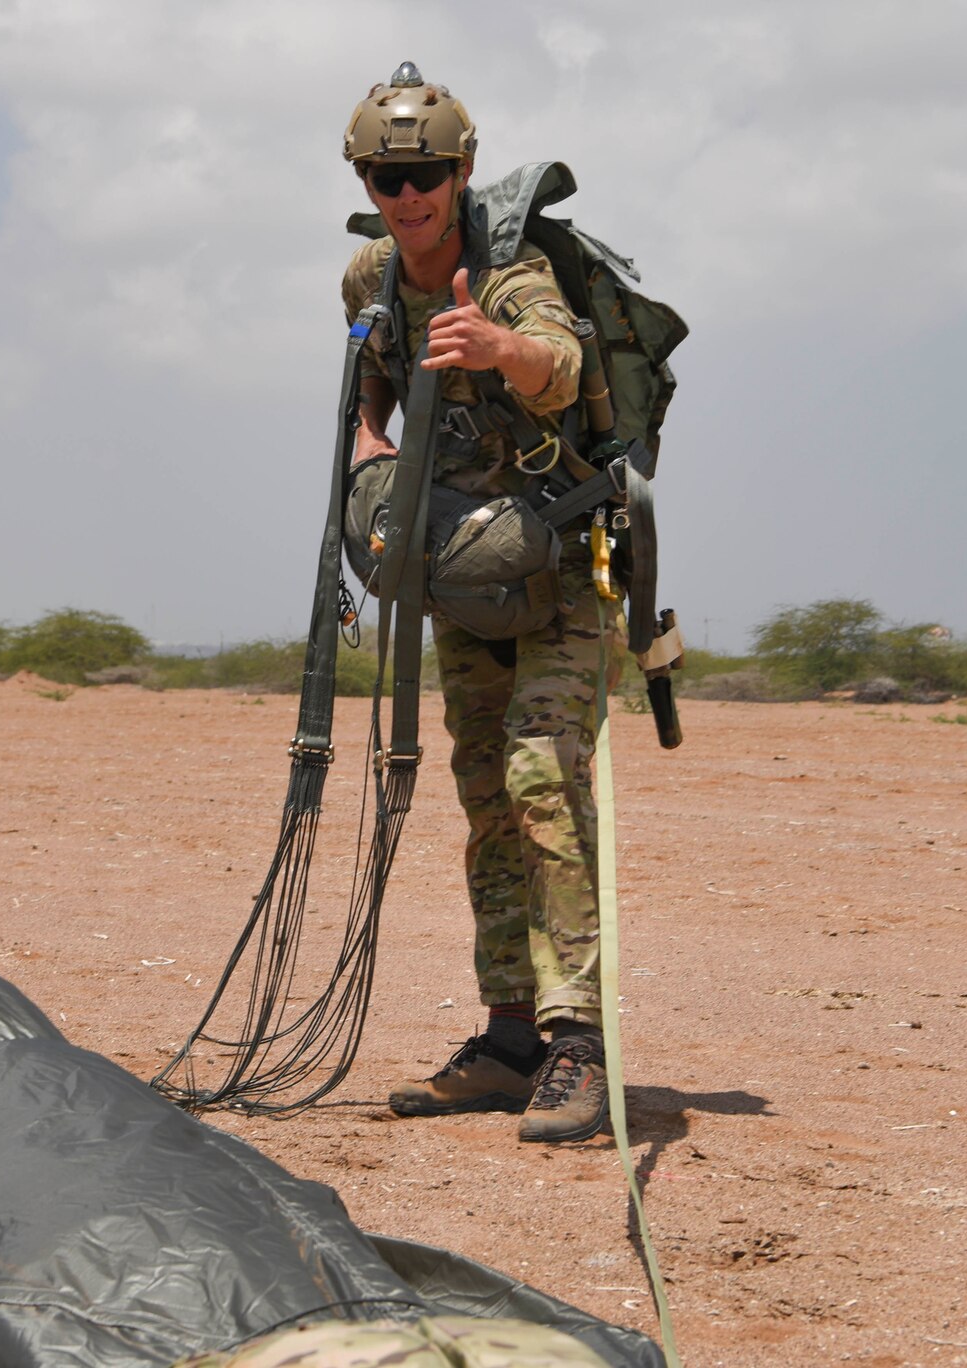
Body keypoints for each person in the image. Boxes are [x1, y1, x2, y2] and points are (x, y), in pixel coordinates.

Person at [339, 61, 621, 1144]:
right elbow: (366, 377)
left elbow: (553, 358)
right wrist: (368, 447)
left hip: (557, 573)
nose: (404, 194)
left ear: (457, 172)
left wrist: (502, 351)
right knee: (482, 796)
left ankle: (578, 1044)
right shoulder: (368, 277)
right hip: (457, 571)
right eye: (383, 173)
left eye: (421, 173)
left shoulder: (507, 273)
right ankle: (509, 1042)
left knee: (541, 774)